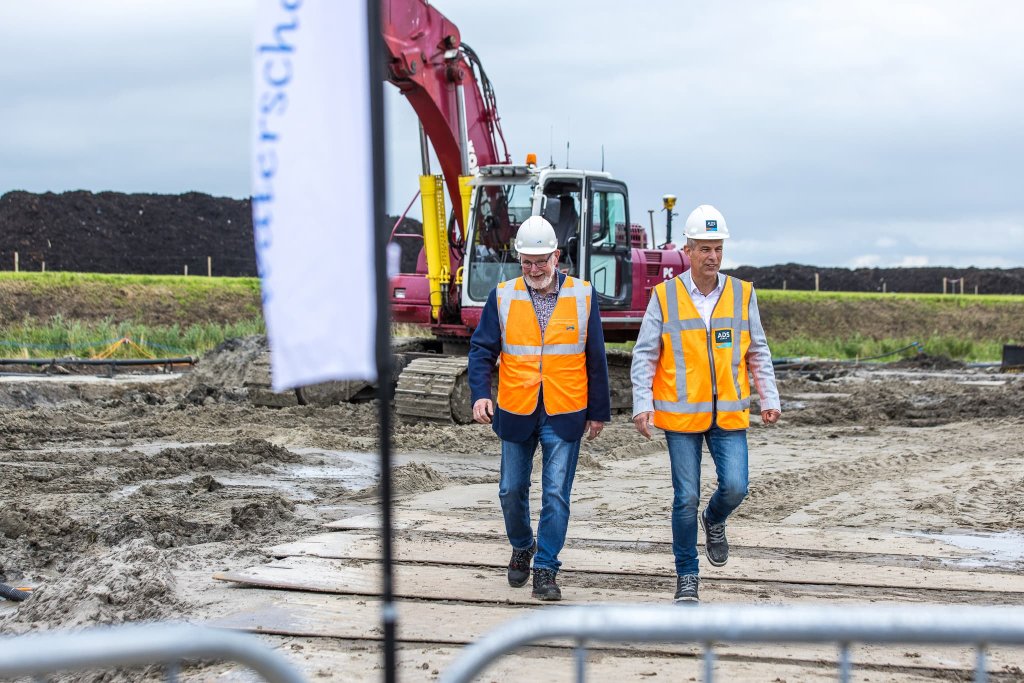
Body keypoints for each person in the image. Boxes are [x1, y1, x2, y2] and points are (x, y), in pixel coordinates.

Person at [630, 204, 781, 604]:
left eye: (718, 249)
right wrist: (641, 404)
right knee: (685, 498)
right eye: (704, 249)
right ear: (688, 250)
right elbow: (644, 355)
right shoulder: (665, 296)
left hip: (730, 411)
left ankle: (714, 520)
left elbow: (758, 352)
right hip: (680, 416)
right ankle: (687, 577)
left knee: (735, 486)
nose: (713, 257)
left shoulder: (742, 293)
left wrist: (769, 397)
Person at [468, 215, 611, 601]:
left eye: (541, 261)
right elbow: (482, 350)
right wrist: (481, 393)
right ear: (519, 260)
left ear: (556, 257)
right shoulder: (503, 295)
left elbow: (595, 357)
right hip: (516, 408)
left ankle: (546, 568)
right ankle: (522, 545)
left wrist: (598, 411)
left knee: (555, 494)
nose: (534, 269)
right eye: (527, 262)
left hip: (565, 409)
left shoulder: (582, 295)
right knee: (510, 489)